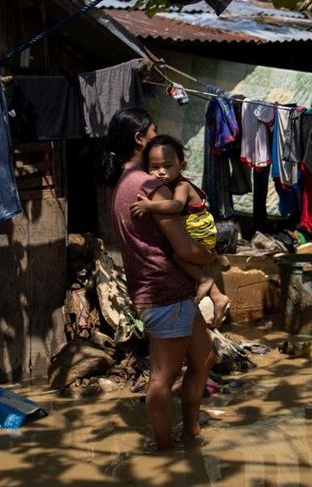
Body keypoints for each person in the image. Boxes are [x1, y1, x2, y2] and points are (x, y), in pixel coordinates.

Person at [107, 107, 216, 451]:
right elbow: (184, 247)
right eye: (154, 132)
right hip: (164, 291)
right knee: (162, 378)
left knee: (204, 358)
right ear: (140, 139)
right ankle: (166, 449)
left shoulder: (123, 184)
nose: (159, 138)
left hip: (166, 291)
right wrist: (210, 256)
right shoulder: (149, 186)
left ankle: (192, 433)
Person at [129, 135, 231, 328]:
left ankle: (205, 280)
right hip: (196, 230)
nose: (161, 172)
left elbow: (176, 206)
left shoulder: (182, 186)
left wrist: (150, 205)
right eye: (155, 167)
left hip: (200, 231)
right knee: (188, 259)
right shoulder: (169, 185)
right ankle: (218, 297)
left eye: (167, 166)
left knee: (178, 255)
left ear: (182, 166)